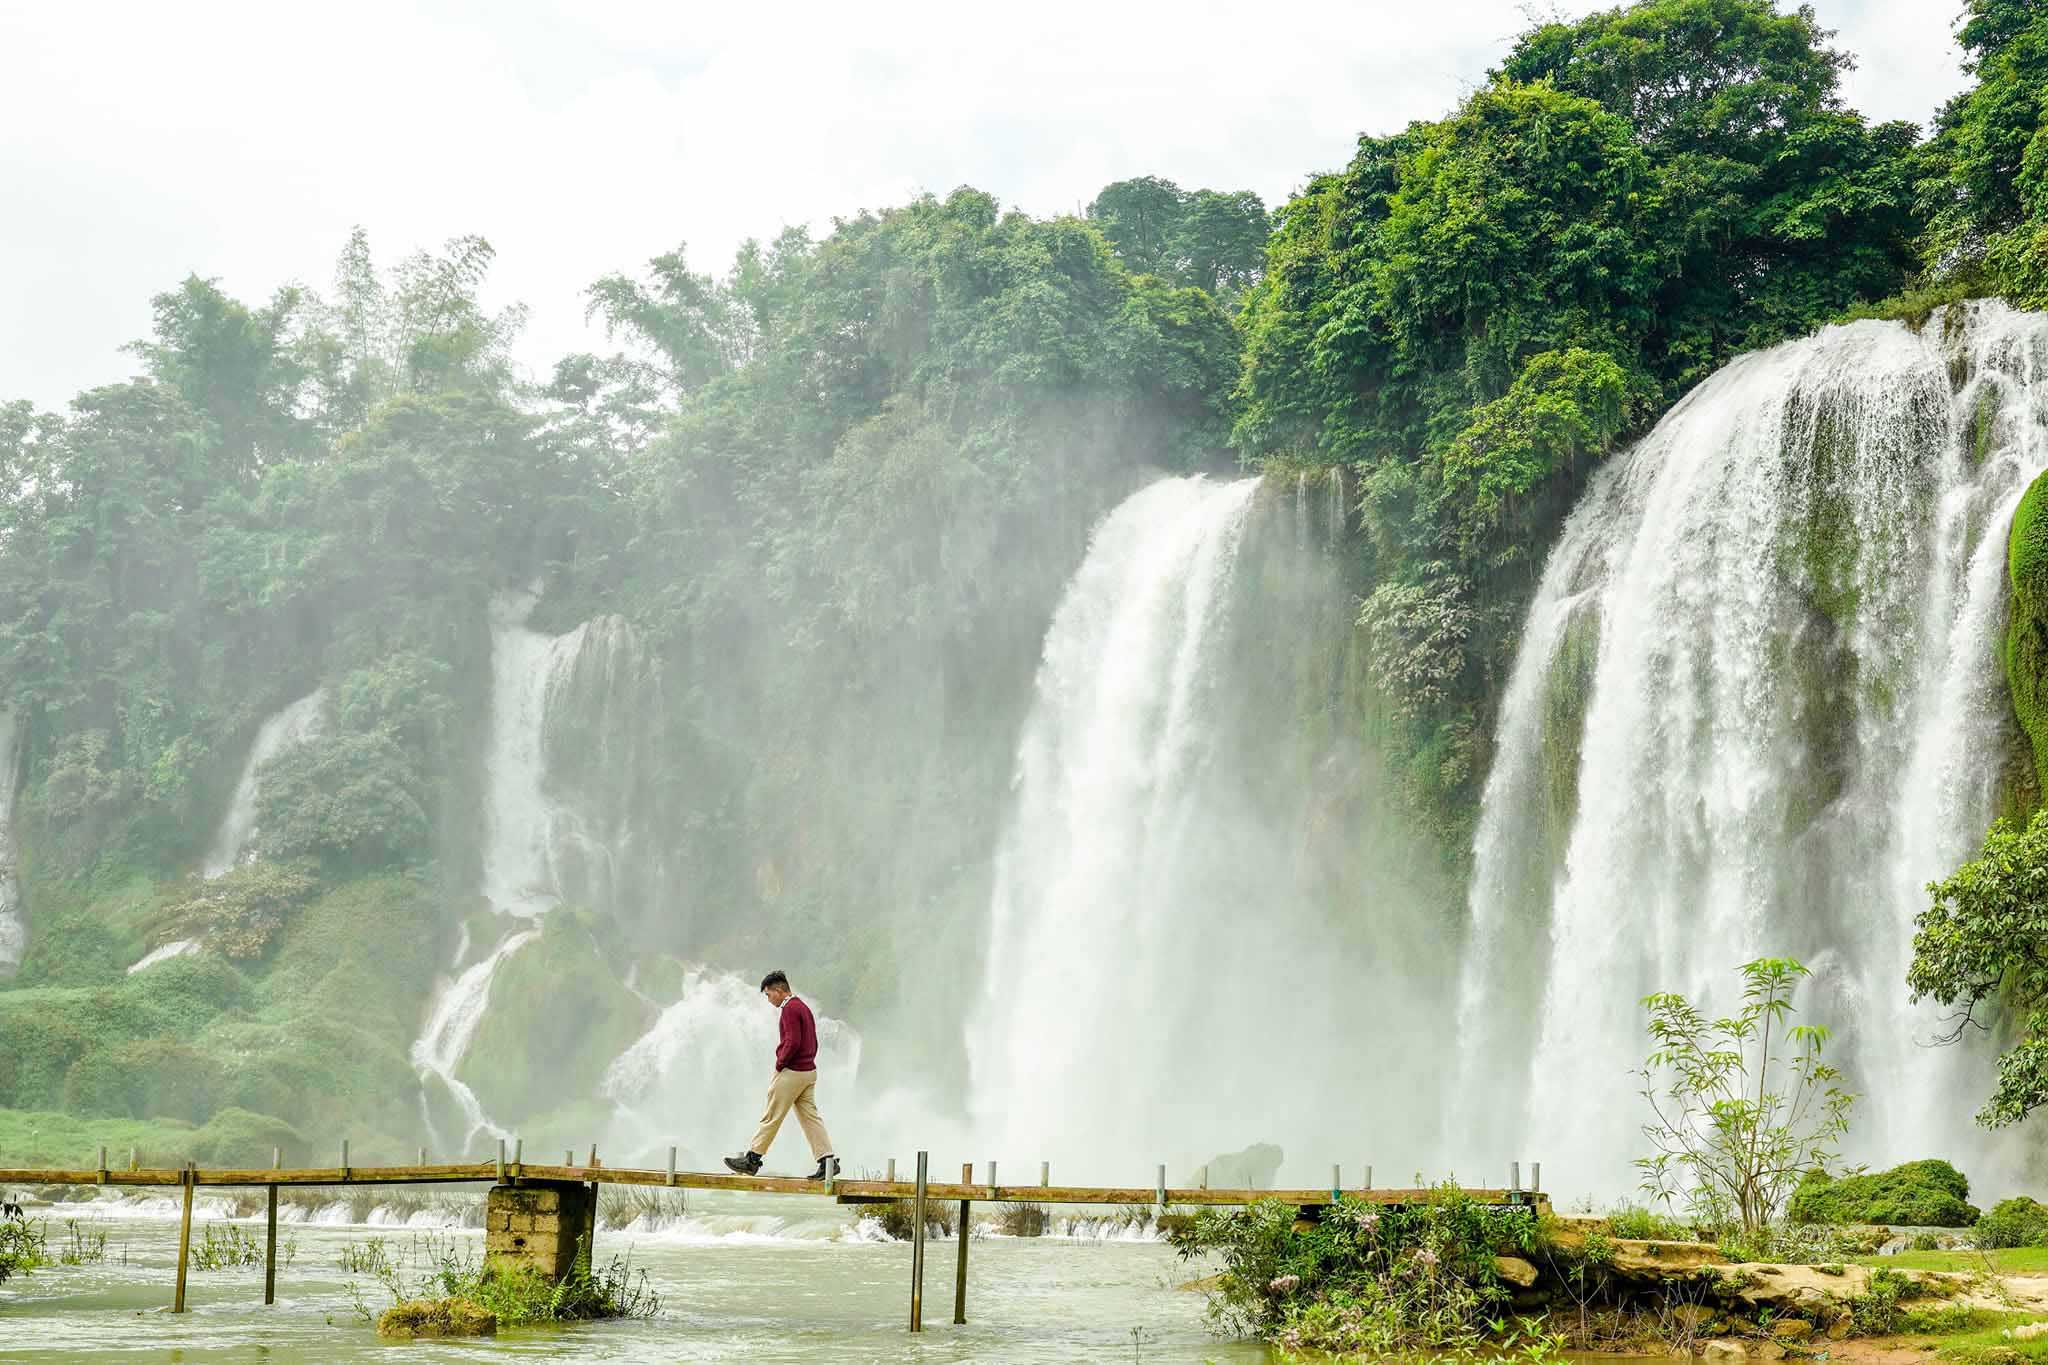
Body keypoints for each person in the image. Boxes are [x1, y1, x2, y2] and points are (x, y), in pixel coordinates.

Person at [724, 970, 840, 1181]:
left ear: (779, 990)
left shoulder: (789, 1009)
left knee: (772, 1114)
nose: (768, 1000)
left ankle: (752, 1160)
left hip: (793, 1071)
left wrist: (780, 1063)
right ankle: (827, 1161)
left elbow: (793, 1041)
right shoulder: (803, 1007)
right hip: (808, 1071)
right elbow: (813, 1041)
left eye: (768, 995)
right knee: (810, 1117)